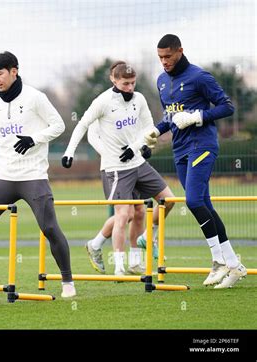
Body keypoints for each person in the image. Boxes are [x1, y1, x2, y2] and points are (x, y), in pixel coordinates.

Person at [0, 51, 76, 298]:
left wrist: (34, 139)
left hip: (33, 176)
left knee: (50, 228)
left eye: (0, 73)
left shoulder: (35, 97)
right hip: (4, 176)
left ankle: (68, 283)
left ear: (14, 71)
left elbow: (59, 125)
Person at [146, 34, 246, 288]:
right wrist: (156, 131)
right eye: (160, 58)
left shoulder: (199, 77)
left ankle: (218, 260)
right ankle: (234, 265)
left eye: (168, 56)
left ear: (180, 51)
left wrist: (197, 117)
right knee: (204, 203)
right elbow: (170, 116)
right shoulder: (160, 81)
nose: (164, 62)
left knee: (192, 201)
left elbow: (227, 107)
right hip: (179, 150)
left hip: (202, 144)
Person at [63, 61, 174, 276]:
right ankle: (119, 266)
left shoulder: (139, 99)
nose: (130, 88)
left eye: (133, 83)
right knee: (124, 215)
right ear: (113, 80)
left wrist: (144, 145)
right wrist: (69, 152)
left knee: (164, 202)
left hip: (138, 163)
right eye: (125, 83)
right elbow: (83, 125)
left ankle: (138, 249)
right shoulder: (103, 102)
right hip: (116, 168)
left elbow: (148, 128)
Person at [86, 119, 147, 275]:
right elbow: (92, 137)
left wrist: (142, 147)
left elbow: (135, 133)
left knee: (139, 212)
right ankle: (112, 260)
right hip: (112, 168)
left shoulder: (130, 107)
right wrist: (110, 154)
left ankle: (134, 263)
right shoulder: (102, 106)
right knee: (125, 214)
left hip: (133, 166)